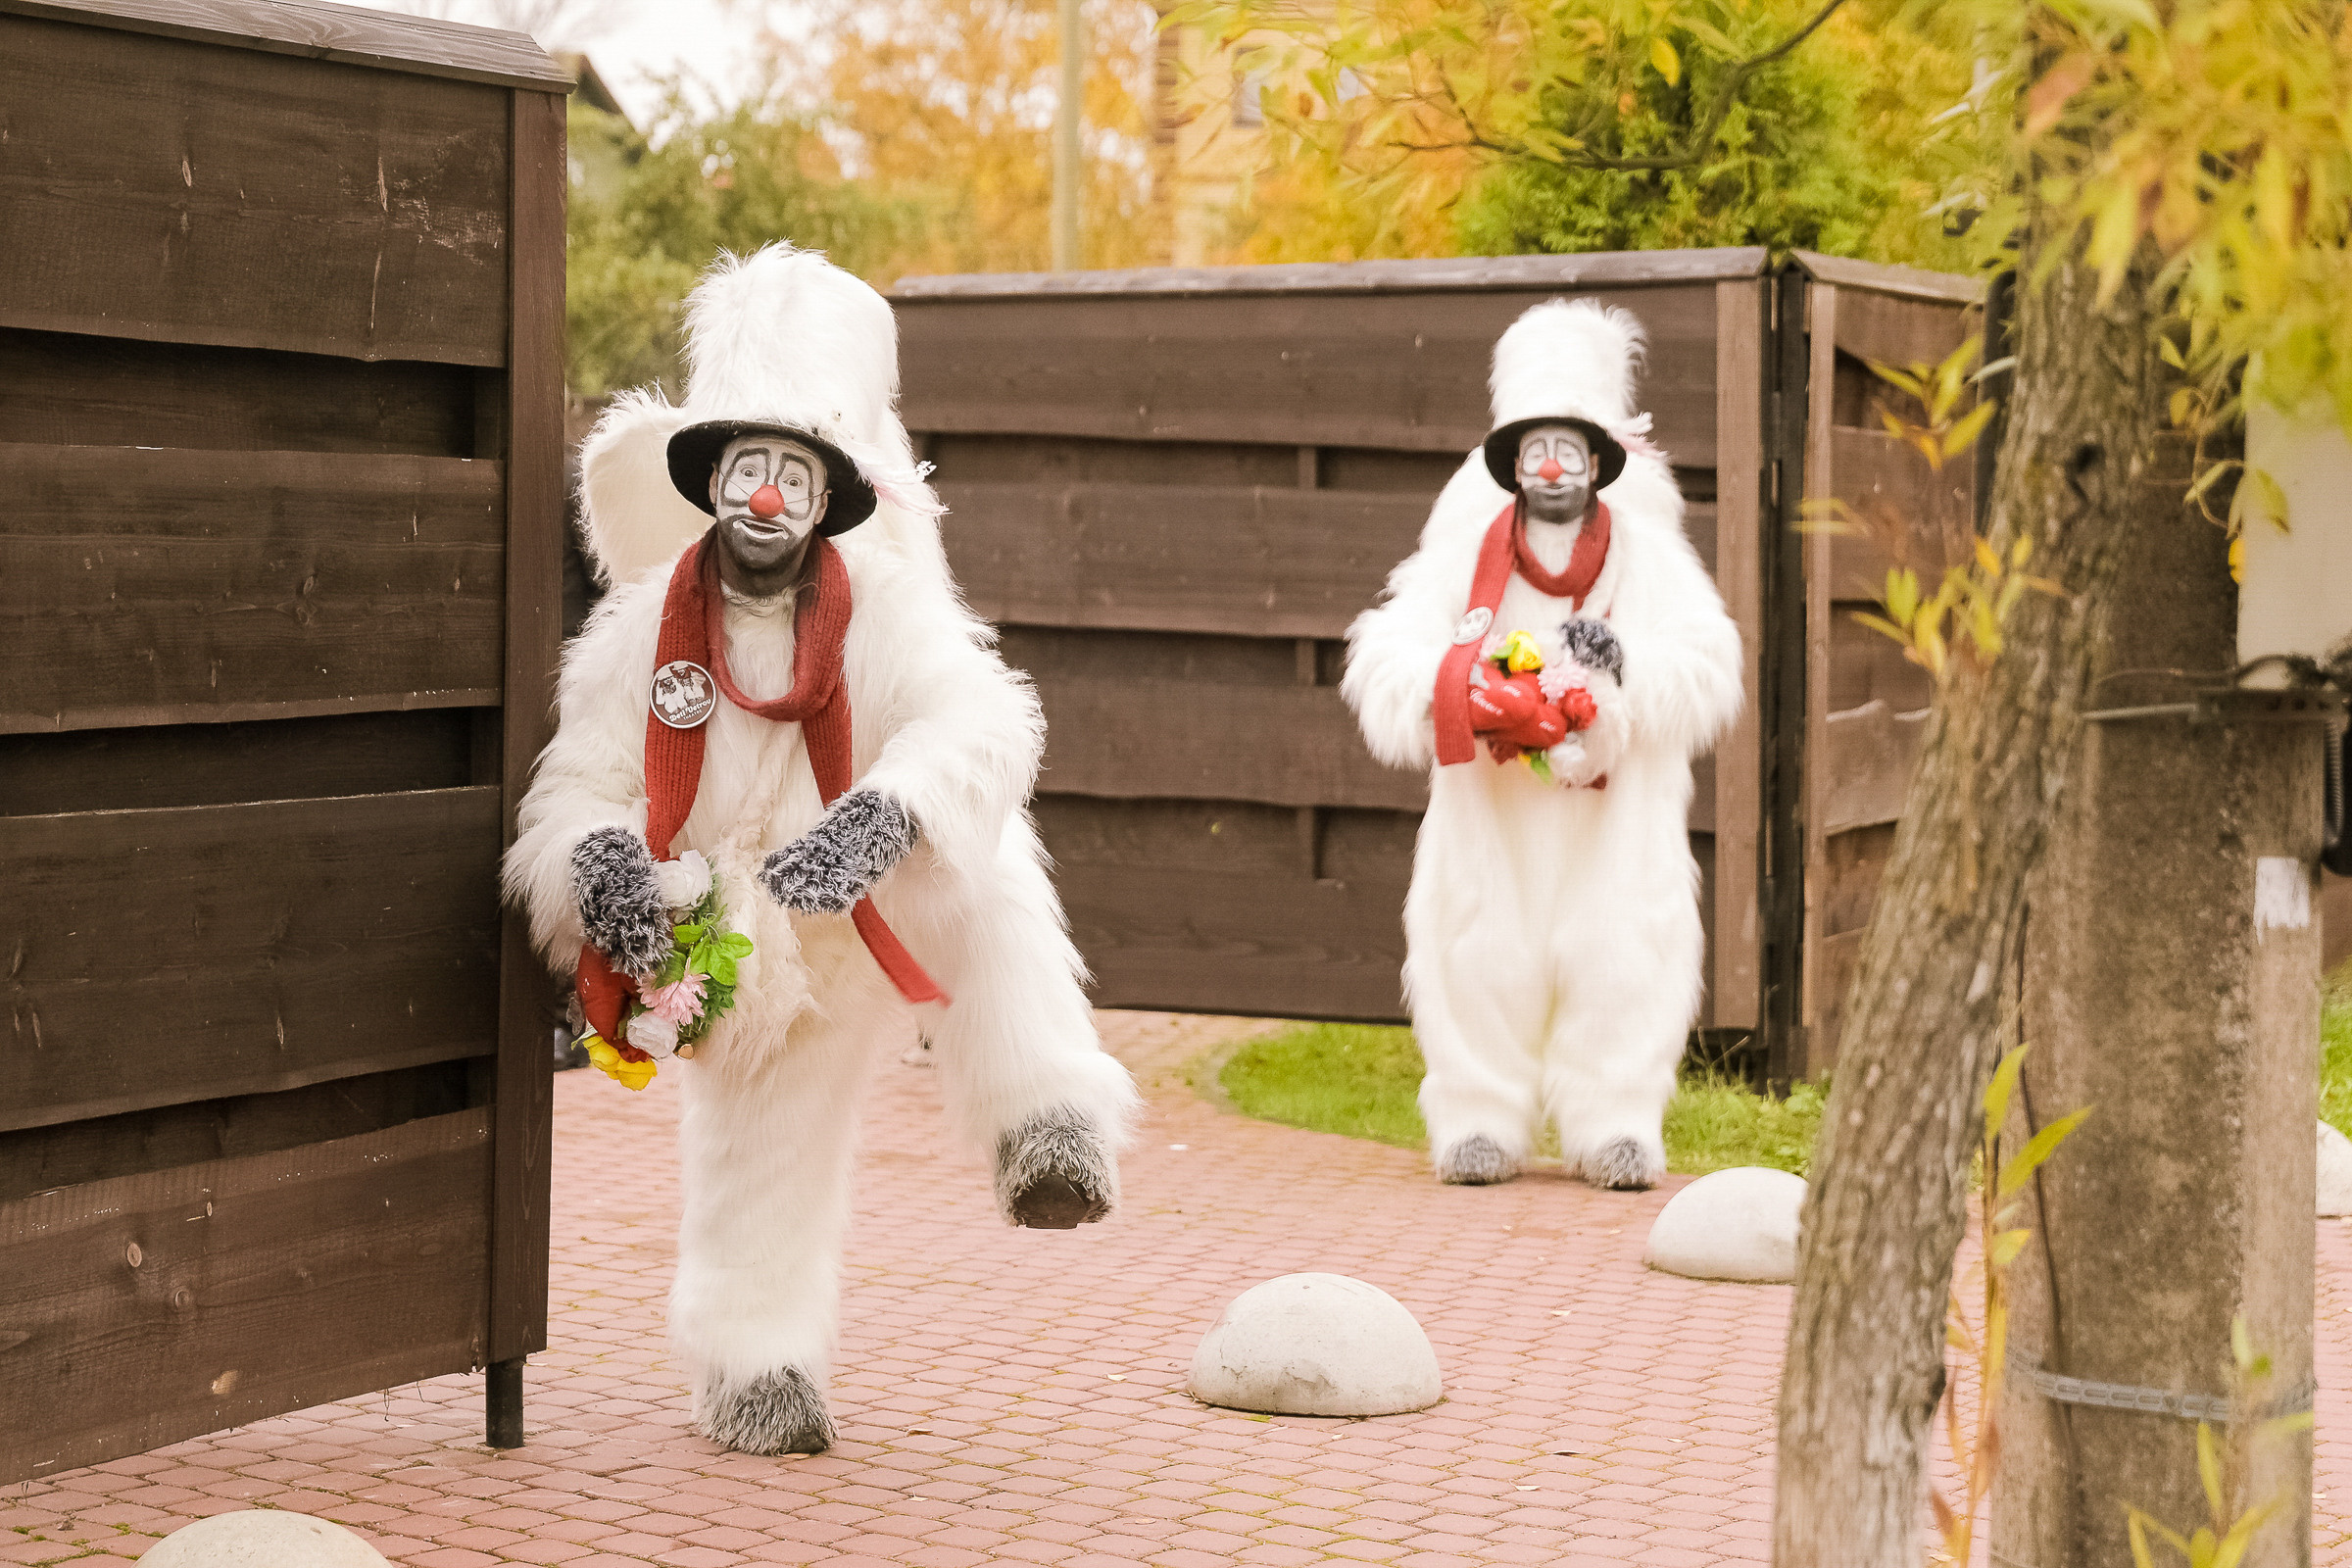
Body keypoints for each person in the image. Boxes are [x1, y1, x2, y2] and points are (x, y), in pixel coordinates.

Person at [505, 244, 1137, 1454]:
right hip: (753, 926)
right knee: (757, 1132)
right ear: (711, 479)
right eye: (748, 469)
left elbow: (983, 720)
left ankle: (1043, 1112)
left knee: (993, 877)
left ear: (829, 491)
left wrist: (890, 811)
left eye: (793, 474)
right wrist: (598, 869)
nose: (764, 502)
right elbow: (581, 782)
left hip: (874, 874)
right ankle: (753, 1357)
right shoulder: (645, 628)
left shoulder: (885, 609)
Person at [1342, 298, 1742, 1190]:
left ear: (1599, 462)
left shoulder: (1646, 553)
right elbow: (1391, 649)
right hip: (1493, 807)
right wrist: (1468, 694)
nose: (1552, 466)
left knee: (1627, 947)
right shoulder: (1465, 553)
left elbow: (1710, 660)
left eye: (1569, 447)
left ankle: (1616, 1119)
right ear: (1511, 463)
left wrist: (1618, 674)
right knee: (1476, 945)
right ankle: (1479, 1113)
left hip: (1617, 811)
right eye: (1535, 448)